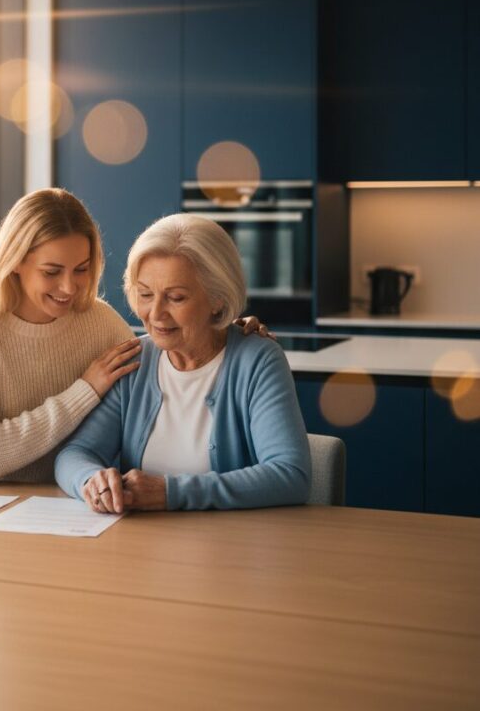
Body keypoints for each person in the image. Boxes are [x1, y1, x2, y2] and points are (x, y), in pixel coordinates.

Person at [0, 189, 268, 485]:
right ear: (15, 261)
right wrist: (85, 391)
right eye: (51, 272)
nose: (69, 287)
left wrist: (221, 325)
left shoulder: (98, 321)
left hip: (62, 505)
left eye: (82, 269)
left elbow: (161, 351)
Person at [55, 213, 311, 512]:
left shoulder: (257, 360)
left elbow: (290, 475)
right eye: (146, 294)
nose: (156, 313)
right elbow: (75, 453)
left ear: (217, 298)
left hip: (233, 547)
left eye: (176, 297)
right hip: (141, 548)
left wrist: (170, 492)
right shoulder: (133, 362)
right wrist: (91, 482)